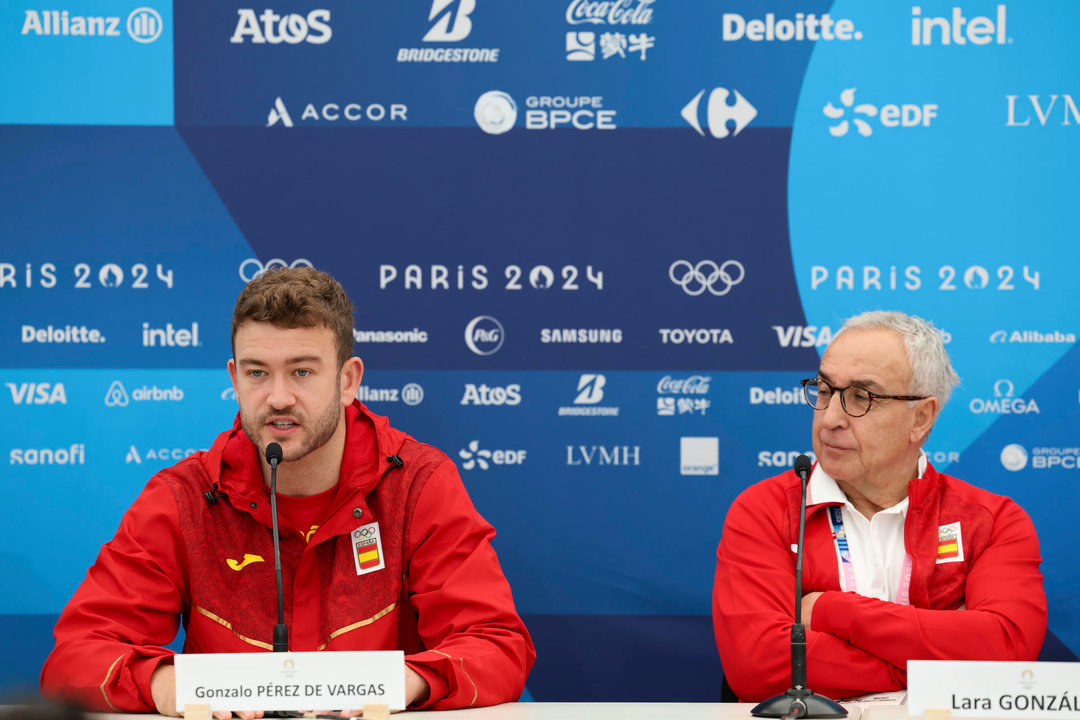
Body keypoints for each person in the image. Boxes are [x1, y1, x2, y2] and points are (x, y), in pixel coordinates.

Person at [41, 267, 535, 715]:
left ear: (347, 380)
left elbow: (497, 646)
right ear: (235, 379)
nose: (278, 397)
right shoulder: (185, 497)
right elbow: (75, 658)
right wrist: (166, 684)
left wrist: (408, 681)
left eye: (302, 371)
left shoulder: (417, 484)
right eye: (257, 372)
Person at [712, 310, 1047, 701]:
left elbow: (1006, 654)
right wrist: (941, 665)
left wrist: (828, 611)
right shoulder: (766, 510)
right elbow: (759, 669)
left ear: (921, 418)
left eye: (861, 397)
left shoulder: (990, 521)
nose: (830, 418)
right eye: (823, 390)